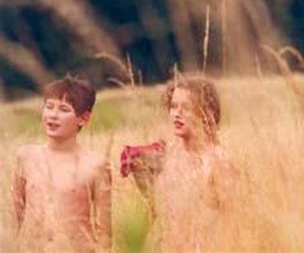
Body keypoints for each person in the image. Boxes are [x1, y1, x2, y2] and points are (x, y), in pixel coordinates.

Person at [121, 76, 239, 252]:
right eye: (173, 106)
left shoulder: (218, 160)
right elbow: (156, 214)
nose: (177, 113)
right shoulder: (165, 155)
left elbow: (233, 223)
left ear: (206, 112)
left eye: (186, 108)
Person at [11, 76, 112, 252]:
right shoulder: (26, 156)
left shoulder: (95, 165)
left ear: (83, 119)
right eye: (49, 107)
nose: (53, 115)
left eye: (64, 109)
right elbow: (14, 217)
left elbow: (105, 232)